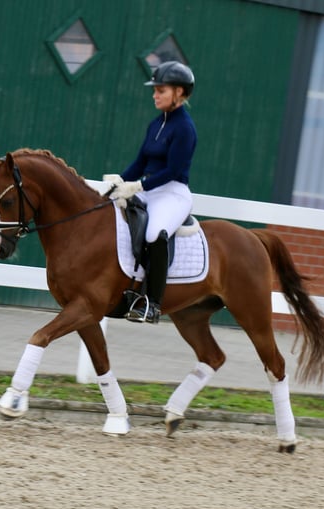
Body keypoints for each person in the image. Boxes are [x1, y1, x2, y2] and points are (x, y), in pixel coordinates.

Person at [107, 60, 197, 324]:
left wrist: (139, 186)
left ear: (179, 93)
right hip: (149, 188)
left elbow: (172, 170)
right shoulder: (155, 124)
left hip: (172, 192)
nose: (155, 95)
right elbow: (140, 163)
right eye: (155, 90)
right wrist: (120, 182)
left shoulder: (185, 128)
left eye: (161, 90)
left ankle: (152, 303)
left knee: (154, 233)